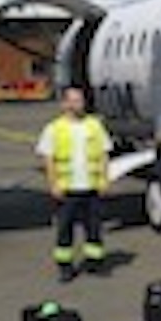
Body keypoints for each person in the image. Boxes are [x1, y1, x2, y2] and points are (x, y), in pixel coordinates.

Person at [35, 85, 113, 282]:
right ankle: (65, 266)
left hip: (91, 187)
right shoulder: (54, 128)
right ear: (64, 104)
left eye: (80, 100)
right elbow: (48, 159)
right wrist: (53, 184)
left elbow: (104, 154)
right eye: (73, 100)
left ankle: (94, 262)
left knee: (93, 227)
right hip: (67, 189)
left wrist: (104, 179)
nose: (78, 104)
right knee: (65, 229)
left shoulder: (94, 125)